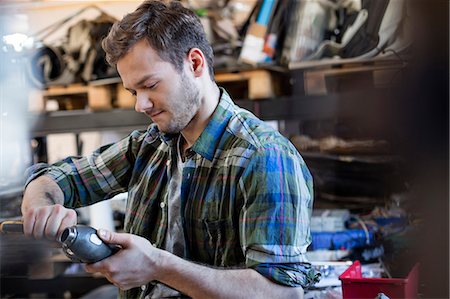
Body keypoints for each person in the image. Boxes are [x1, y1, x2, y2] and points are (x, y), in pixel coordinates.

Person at [21, 1, 319, 298]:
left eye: (150, 85)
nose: (141, 104)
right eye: (134, 92)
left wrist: (158, 266)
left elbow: (282, 293)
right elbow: (60, 178)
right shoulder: (149, 147)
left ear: (195, 63)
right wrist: (40, 203)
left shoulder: (265, 158)